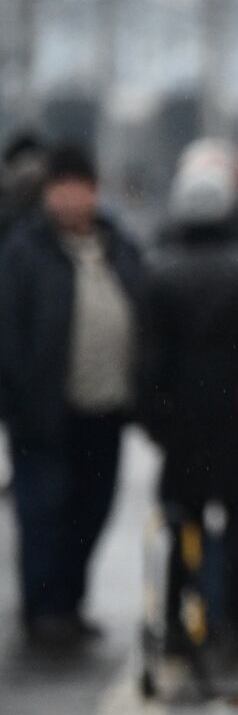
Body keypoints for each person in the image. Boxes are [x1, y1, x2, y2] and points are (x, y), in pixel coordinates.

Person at [0, 144, 144, 647]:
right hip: (44, 413)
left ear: (93, 191)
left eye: (78, 188)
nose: (69, 199)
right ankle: (44, 611)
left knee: (91, 510)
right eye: (59, 189)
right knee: (44, 513)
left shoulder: (118, 245)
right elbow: (10, 331)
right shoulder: (25, 251)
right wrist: (18, 397)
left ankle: (71, 603)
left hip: (104, 410)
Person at [142, 149, 238, 664]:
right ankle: (232, 622)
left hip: (181, 416)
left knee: (183, 516)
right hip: (234, 414)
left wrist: (155, 418)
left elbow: (148, 358)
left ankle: (178, 618)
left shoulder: (159, 271)